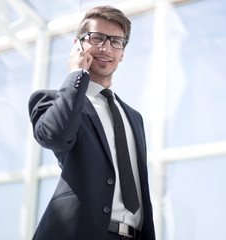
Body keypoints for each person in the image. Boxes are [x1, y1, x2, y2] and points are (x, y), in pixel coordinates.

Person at [28, 6, 155, 240]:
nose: (106, 48)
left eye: (116, 41)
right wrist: (76, 75)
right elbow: (56, 136)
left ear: (123, 52)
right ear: (78, 44)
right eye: (97, 38)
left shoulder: (134, 117)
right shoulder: (52, 100)